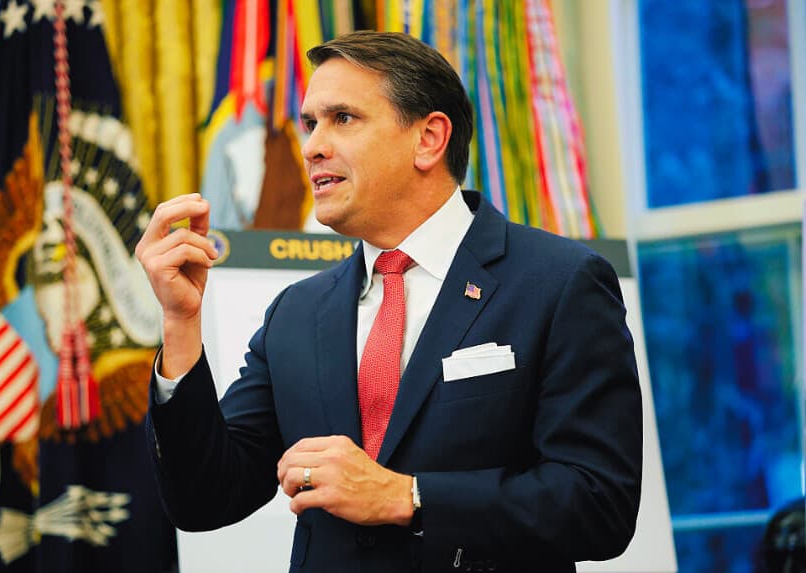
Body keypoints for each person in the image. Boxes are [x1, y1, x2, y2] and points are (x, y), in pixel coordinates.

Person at [137, 30, 642, 573]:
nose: (311, 146)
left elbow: (599, 503)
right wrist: (181, 324)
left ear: (428, 138)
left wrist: (408, 497)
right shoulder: (297, 313)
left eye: (343, 119)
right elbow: (205, 499)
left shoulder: (558, 282)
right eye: (310, 123)